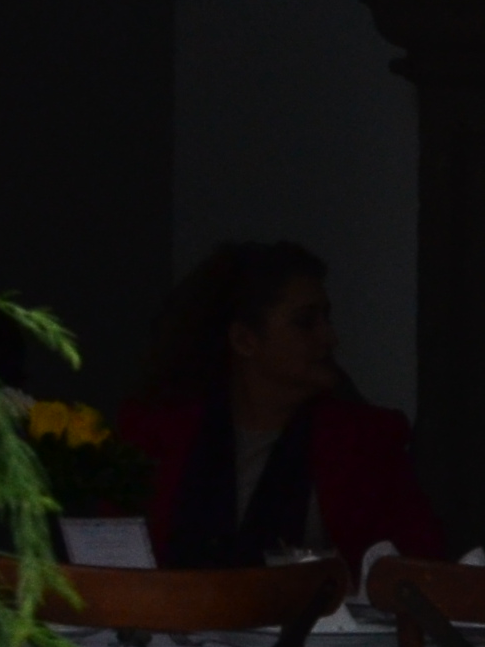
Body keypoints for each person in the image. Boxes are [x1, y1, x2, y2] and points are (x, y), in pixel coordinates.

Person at [127, 240, 447, 569]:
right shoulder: (159, 436)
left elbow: (417, 569)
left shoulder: (364, 443)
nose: (329, 337)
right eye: (305, 322)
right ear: (245, 340)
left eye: (326, 318)